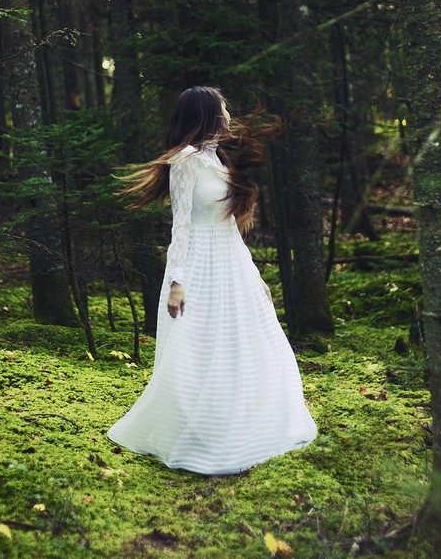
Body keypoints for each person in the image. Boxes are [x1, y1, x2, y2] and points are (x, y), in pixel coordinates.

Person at [108, 86, 317, 475]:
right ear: (205, 114)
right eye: (221, 107)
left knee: (252, 341)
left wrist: (255, 275)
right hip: (197, 265)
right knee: (197, 348)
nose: (227, 112)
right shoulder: (186, 161)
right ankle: (200, 433)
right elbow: (182, 224)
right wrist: (176, 281)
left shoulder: (217, 160)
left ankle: (244, 425)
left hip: (230, 263)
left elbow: (230, 228)